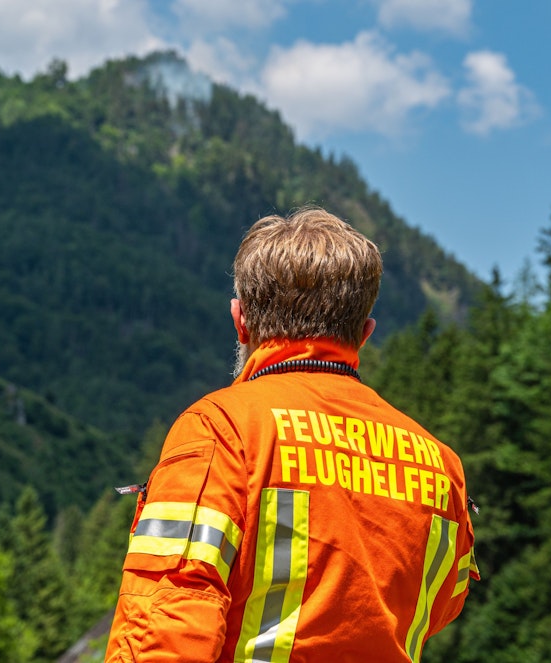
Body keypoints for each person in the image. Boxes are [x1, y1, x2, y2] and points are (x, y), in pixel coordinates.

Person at [105, 206, 478, 662]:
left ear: (240, 320)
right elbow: (440, 607)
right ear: (364, 334)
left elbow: (164, 624)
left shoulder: (223, 429)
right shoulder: (441, 465)